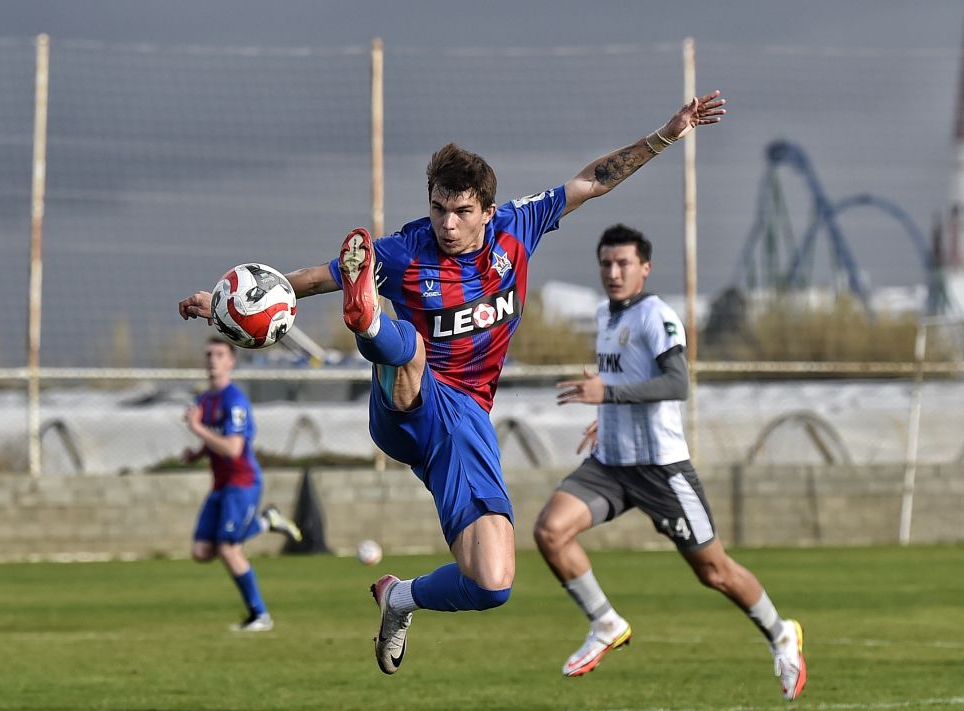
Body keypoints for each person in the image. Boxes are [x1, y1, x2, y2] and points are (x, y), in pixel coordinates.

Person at [178, 91, 726, 672]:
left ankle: (399, 598)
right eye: (438, 208)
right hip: (405, 403)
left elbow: (594, 180)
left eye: (461, 211)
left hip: (465, 425)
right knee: (410, 345)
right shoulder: (404, 251)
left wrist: (666, 135)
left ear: (487, 210)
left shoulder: (518, 226)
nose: (446, 222)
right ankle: (369, 322)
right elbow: (313, 279)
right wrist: (226, 305)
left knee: (492, 582)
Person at [532, 224, 806, 700]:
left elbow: (677, 383)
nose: (613, 273)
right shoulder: (604, 315)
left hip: (661, 471)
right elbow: (625, 381)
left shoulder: (655, 315)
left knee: (713, 572)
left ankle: (781, 634)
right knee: (550, 531)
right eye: (606, 263)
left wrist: (608, 395)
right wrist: (606, 417)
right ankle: (605, 623)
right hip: (611, 464)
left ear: (645, 268)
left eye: (623, 264)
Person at [183, 337, 302, 632]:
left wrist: (196, 428)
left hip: (242, 482)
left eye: (219, 354)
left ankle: (260, 616)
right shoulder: (205, 400)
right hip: (220, 485)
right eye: (209, 354)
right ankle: (266, 522)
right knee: (201, 551)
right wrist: (196, 453)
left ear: (231, 361)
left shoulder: (234, 401)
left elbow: (233, 448)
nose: (212, 360)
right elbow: (216, 441)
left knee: (228, 548)